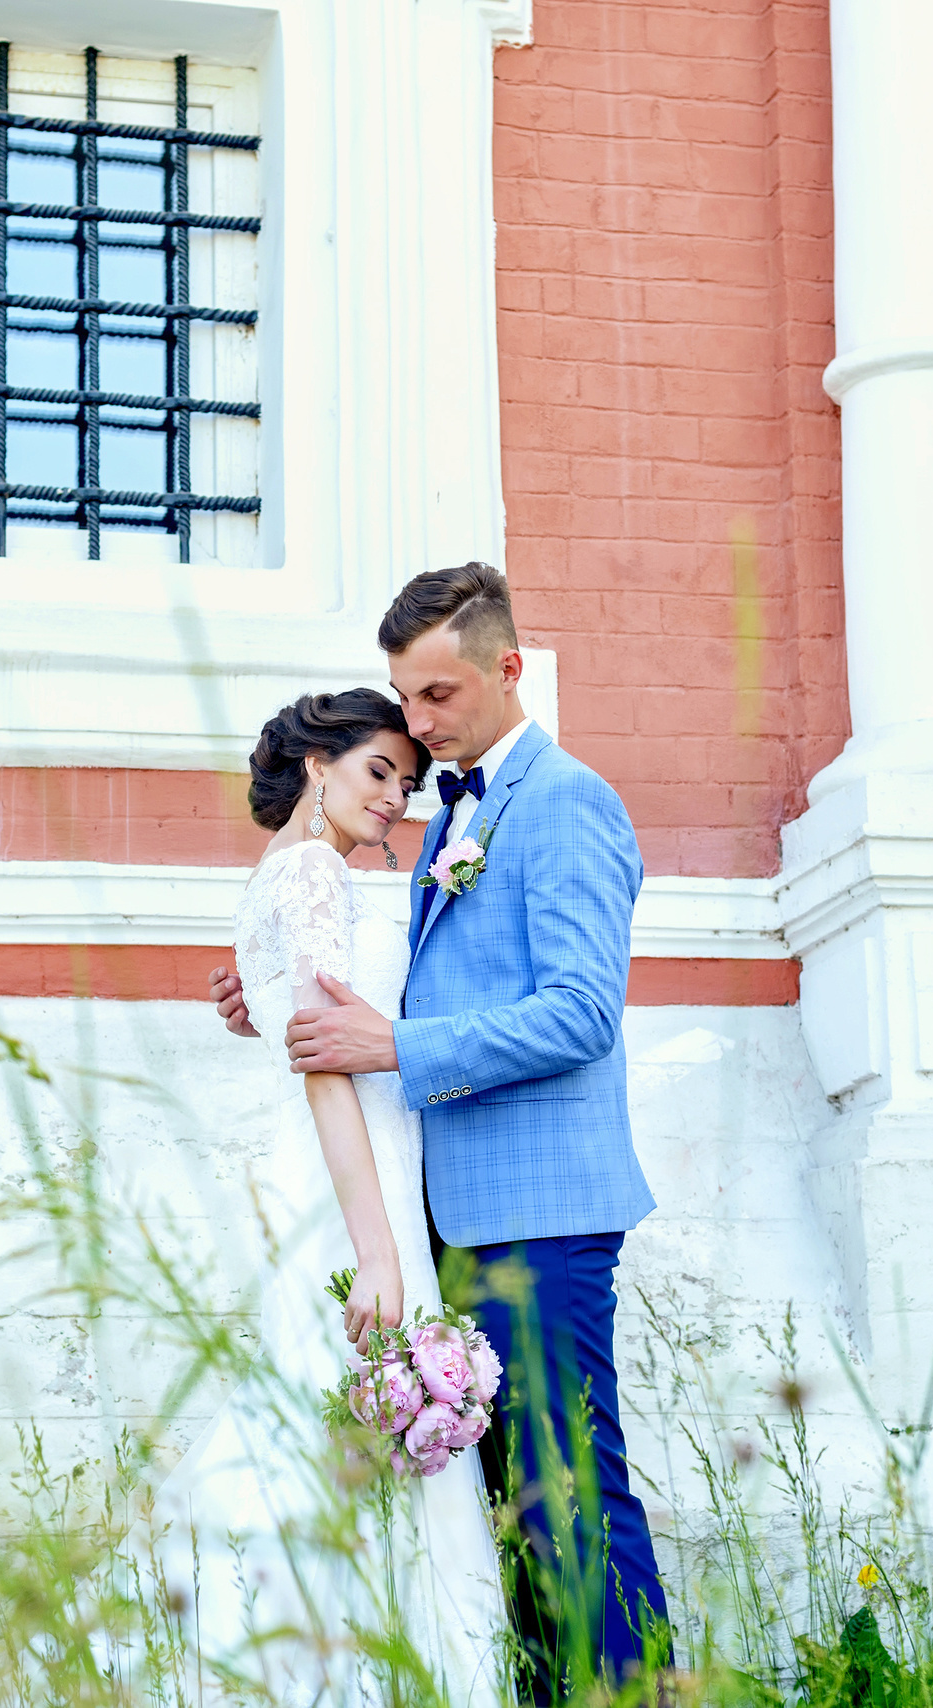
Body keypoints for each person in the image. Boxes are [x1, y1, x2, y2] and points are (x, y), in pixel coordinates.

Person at [211, 563, 671, 1699]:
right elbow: (415, 982)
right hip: (444, 1213)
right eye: (400, 703)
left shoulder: (563, 800)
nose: (416, 727)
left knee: (572, 1493)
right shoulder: (453, 816)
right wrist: (271, 992)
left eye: (435, 696)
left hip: (540, 1210)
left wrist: (393, 1048)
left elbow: (578, 1011)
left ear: (507, 669)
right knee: (513, 1505)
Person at [159, 687, 507, 1707]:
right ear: (317, 765)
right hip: (350, 1170)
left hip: (318, 1166)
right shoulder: (312, 872)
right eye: (376, 771)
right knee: (359, 1386)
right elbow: (324, 1061)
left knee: (316, 1401)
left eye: (407, 780)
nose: (396, 796)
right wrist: (383, 1253)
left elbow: (278, 1012)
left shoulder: (275, 873)